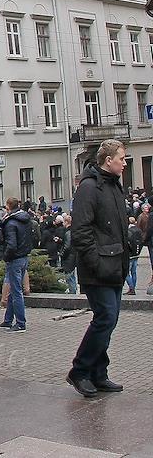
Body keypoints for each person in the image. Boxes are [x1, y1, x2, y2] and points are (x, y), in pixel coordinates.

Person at [68, 140, 132, 398]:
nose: (124, 163)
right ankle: (80, 371)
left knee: (109, 319)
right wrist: (95, 262)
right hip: (98, 268)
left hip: (115, 264)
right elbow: (80, 231)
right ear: (108, 160)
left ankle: (98, 372)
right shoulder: (89, 187)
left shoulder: (113, 185)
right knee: (105, 317)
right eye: (121, 158)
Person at [0, 196, 32, 332]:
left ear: (7, 206)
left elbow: (11, 245)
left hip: (15, 259)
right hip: (24, 257)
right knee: (14, 290)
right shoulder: (25, 219)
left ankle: (20, 323)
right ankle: (8, 320)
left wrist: (6, 257)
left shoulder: (10, 223)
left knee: (16, 291)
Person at [125, 216, 143, 295]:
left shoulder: (128, 231)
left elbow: (127, 243)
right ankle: (133, 288)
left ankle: (131, 288)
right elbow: (142, 241)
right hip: (136, 254)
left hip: (130, 254)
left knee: (126, 273)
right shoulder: (139, 230)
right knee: (134, 272)